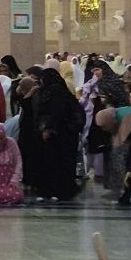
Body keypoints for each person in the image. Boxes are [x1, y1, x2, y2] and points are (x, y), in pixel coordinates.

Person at [33, 66, 85, 201]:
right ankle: (58, 190)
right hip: (64, 135)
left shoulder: (55, 92)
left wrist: (48, 129)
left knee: (53, 162)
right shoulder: (60, 92)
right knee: (59, 163)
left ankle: (53, 191)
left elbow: (57, 112)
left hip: (58, 134)